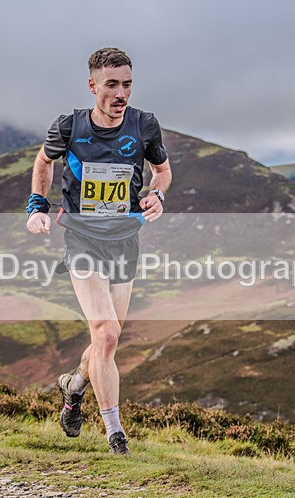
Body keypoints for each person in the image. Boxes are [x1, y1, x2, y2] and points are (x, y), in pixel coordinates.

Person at [26, 47, 172, 454]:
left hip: (124, 240)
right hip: (82, 238)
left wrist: (157, 195)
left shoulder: (144, 126)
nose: (120, 92)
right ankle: (115, 435)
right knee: (106, 333)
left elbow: (162, 172)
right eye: (111, 84)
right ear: (93, 86)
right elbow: (44, 161)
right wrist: (37, 206)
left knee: (107, 340)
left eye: (126, 84)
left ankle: (74, 386)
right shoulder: (70, 126)